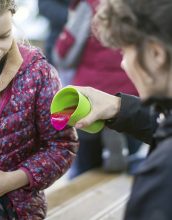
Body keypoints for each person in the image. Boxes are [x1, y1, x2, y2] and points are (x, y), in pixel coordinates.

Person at [0, 0, 78, 219]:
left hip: (15, 211)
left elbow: (63, 145)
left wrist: (14, 180)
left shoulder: (38, 73)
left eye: (4, 35)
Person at [72, 0, 172, 219]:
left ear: (156, 54)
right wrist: (118, 107)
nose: (124, 64)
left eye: (124, 51)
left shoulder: (162, 177)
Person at [53, 0, 141, 177]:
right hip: (132, 96)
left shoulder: (92, 5)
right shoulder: (144, 5)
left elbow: (64, 55)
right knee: (131, 167)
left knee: (85, 167)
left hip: (90, 98)